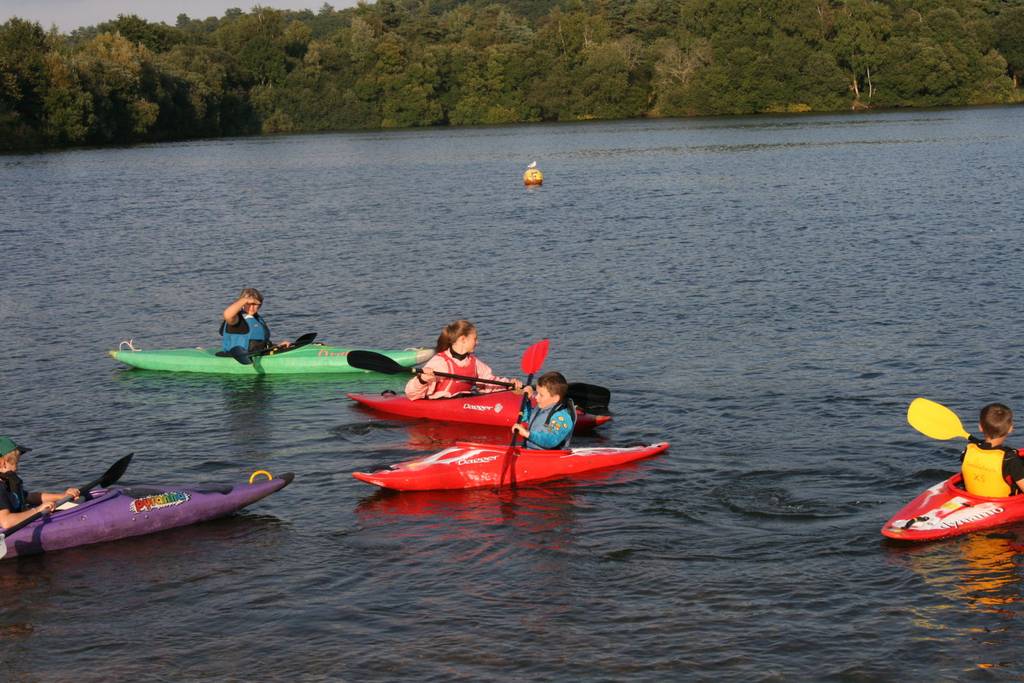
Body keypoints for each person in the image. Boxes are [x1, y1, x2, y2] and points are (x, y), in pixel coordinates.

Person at [405, 319, 522, 400]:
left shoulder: (474, 362)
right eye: (475, 339)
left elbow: (489, 381)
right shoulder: (440, 362)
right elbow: (411, 394)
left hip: (464, 402)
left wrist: (508, 385)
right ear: (463, 339)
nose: (477, 342)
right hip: (440, 405)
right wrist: (422, 380)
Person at [0, 436, 81, 530]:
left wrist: (63, 496)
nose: (17, 468)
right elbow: (6, 522)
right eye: (15, 463)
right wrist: (37, 510)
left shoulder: (8, 483)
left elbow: (30, 497)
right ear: (2, 463)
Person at [959, 403, 1024, 497]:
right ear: (1010, 429)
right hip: (1003, 504)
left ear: (980, 427)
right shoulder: (1010, 459)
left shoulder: (969, 450)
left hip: (972, 496)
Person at [511, 371, 576, 450]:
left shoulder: (562, 417)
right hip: (529, 450)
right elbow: (526, 418)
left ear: (555, 398)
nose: (536, 397)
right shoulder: (542, 408)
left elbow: (551, 440)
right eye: (537, 393)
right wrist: (526, 399)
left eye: (541, 395)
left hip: (548, 456)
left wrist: (527, 434)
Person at [219, 288, 289, 355]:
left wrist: (278, 346)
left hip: (259, 354)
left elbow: (261, 345)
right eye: (248, 304)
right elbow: (227, 315)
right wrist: (245, 300)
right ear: (242, 304)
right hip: (238, 357)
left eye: (255, 304)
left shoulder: (257, 320)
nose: (251, 307)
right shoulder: (237, 319)